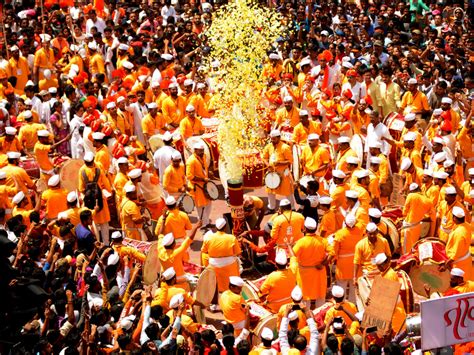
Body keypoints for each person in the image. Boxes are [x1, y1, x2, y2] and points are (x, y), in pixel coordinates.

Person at [288, 217, 329, 309]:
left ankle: (306, 317)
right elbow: (332, 253)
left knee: (305, 297)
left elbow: (293, 255)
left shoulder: (301, 242)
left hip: (304, 273)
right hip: (319, 272)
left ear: (305, 229)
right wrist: (323, 263)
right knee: (320, 296)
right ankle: (320, 315)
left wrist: (289, 246)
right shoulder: (323, 241)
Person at [263, 130, 295, 211]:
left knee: (287, 192)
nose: (272, 140)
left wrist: (280, 163)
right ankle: (271, 207)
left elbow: (290, 161)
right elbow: (264, 158)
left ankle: (292, 208)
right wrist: (268, 165)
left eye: (274, 139)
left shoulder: (285, 147)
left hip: (283, 172)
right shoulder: (268, 146)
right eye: (271, 139)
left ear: (279, 138)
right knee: (270, 191)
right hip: (271, 172)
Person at [186, 142, 213, 228]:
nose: (202, 152)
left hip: (205, 185)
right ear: (195, 150)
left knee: (208, 204)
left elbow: (204, 168)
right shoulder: (191, 161)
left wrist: (208, 173)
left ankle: (206, 222)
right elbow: (189, 176)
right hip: (197, 187)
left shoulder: (203, 156)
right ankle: (202, 225)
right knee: (200, 206)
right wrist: (202, 179)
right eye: (200, 151)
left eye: (202, 150)